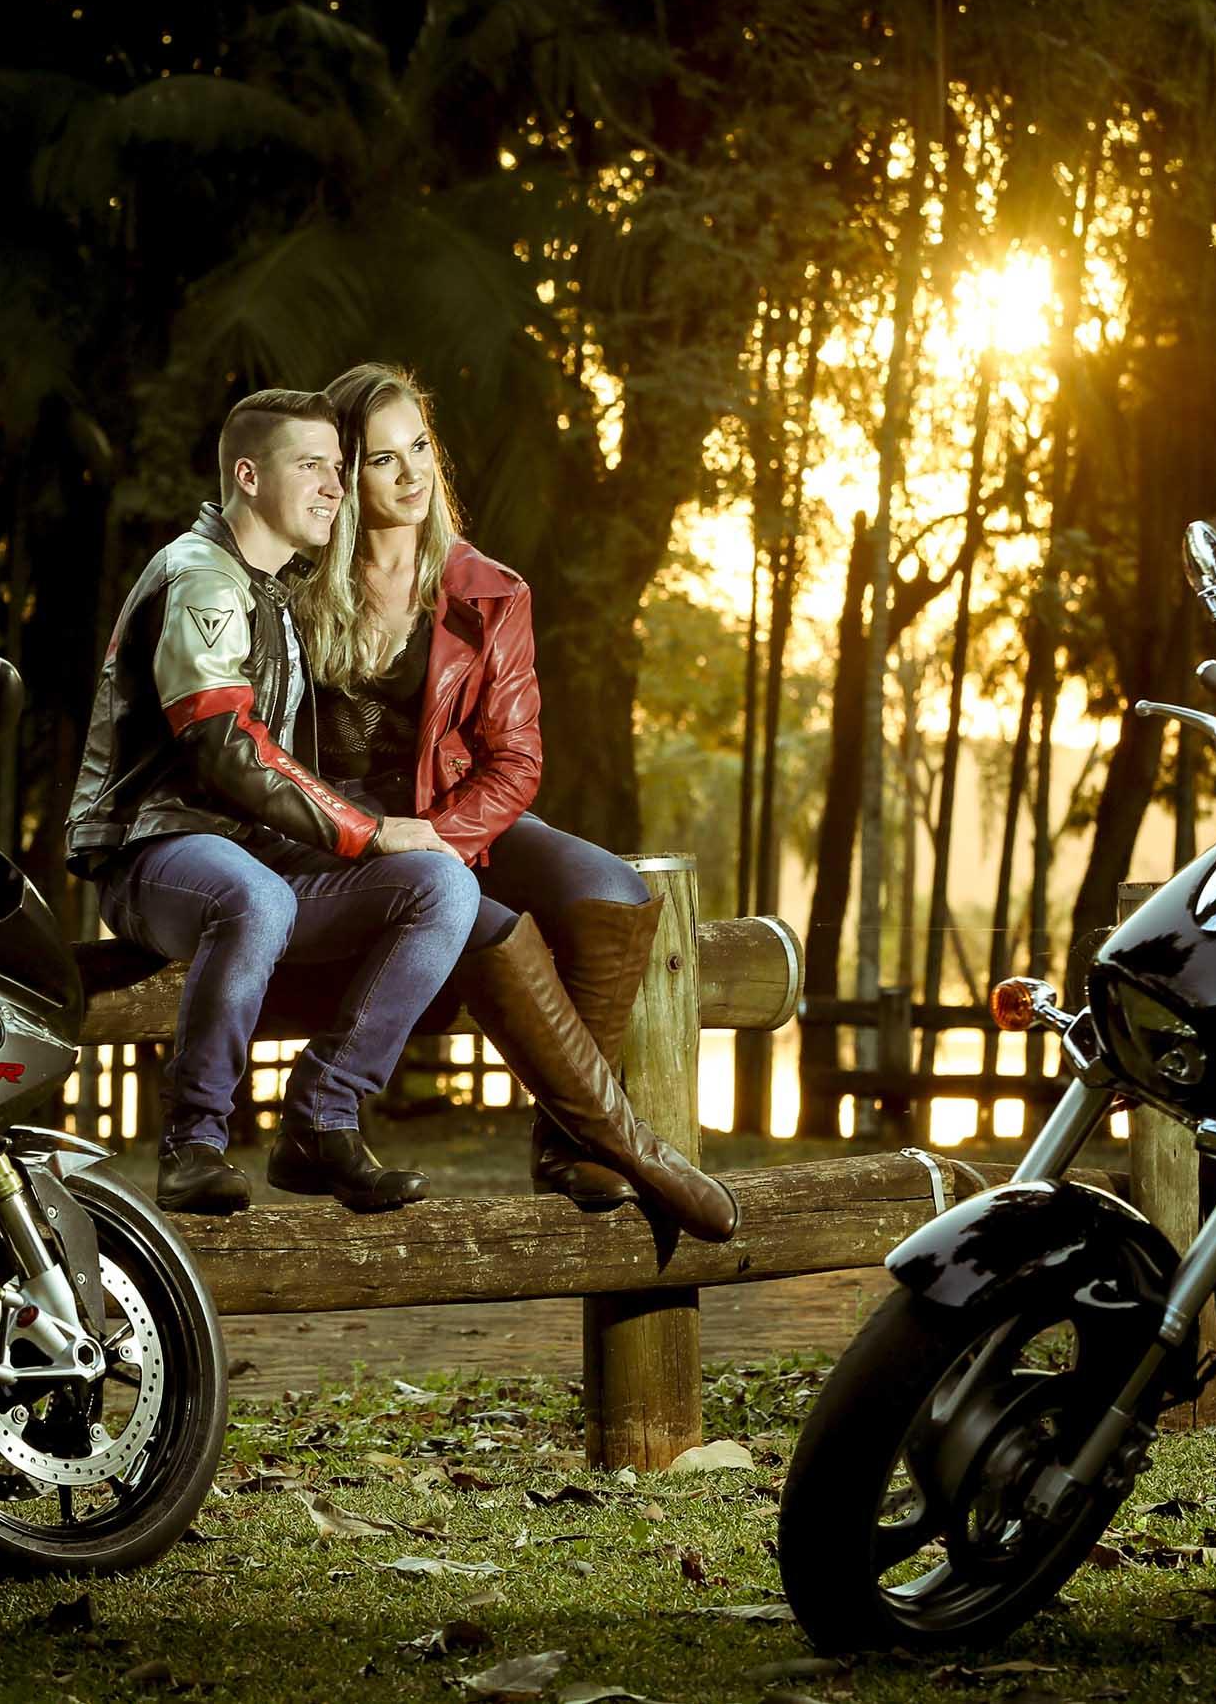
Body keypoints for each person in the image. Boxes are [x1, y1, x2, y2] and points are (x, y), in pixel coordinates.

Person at [291, 362, 739, 1243]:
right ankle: (631, 1147)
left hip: (458, 816)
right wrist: (388, 845)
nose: (413, 473)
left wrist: (437, 838)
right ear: (342, 474)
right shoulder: (292, 590)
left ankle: (565, 1142)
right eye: (383, 459)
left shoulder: (490, 591)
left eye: (421, 447)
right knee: (478, 917)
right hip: (339, 833)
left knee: (615, 890)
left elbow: (516, 760)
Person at [65, 388, 481, 1217]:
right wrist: (368, 831)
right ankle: (193, 1143)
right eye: (310, 466)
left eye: (339, 466)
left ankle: (323, 1115)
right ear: (248, 477)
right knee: (255, 898)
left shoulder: (275, 592)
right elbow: (225, 748)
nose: (335, 486)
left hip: (250, 852)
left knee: (444, 886)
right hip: (151, 851)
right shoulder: (202, 577)